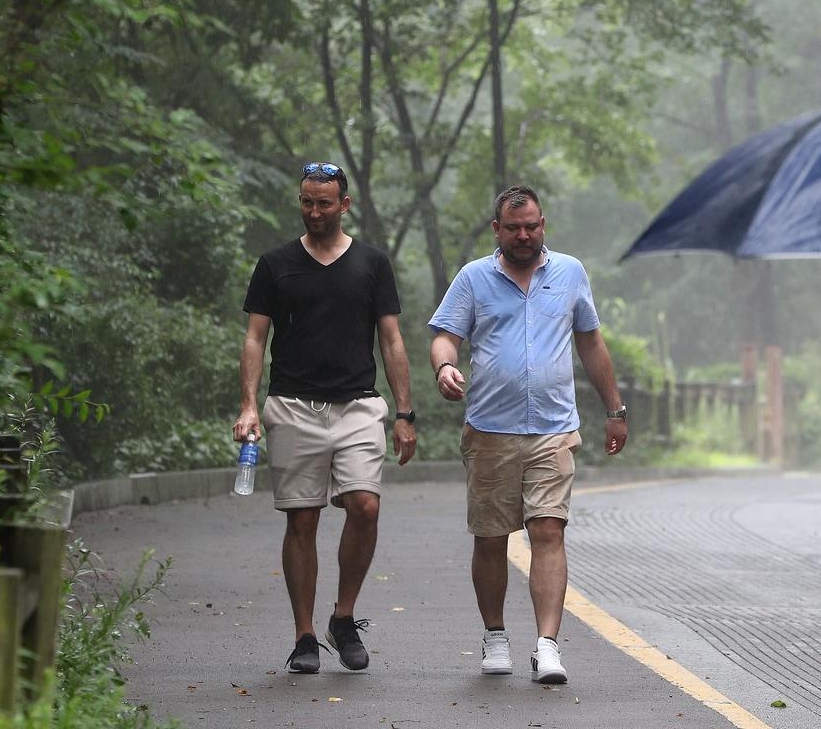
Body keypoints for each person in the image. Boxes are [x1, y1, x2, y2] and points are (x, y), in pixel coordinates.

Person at [427, 185, 628, 686]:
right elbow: (445, 335)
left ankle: (547, 645)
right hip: (490, 429)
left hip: (554, 429)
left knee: (548, 529)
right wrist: (445, 367)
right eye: (513, 227)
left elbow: (591, 341)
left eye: (532, 226)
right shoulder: (475, 278)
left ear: (544, 224)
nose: (524, 235)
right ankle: (495, 635)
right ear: (497, 229)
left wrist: (615, 409)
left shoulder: (570, 272)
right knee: (492, 537)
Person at [234, 162, 416, 675]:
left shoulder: (372, 264)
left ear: (344, 204)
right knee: (303, 518)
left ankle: (343, 615)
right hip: (293, 406)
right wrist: (249, 405)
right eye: (307, 202)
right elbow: (255, 338)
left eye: (324, 203)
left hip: (358, 404)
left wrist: (405, 412)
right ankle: (305, 635)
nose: (314, 212)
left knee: (364, 506)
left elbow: (392, 339)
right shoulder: (276, 264)